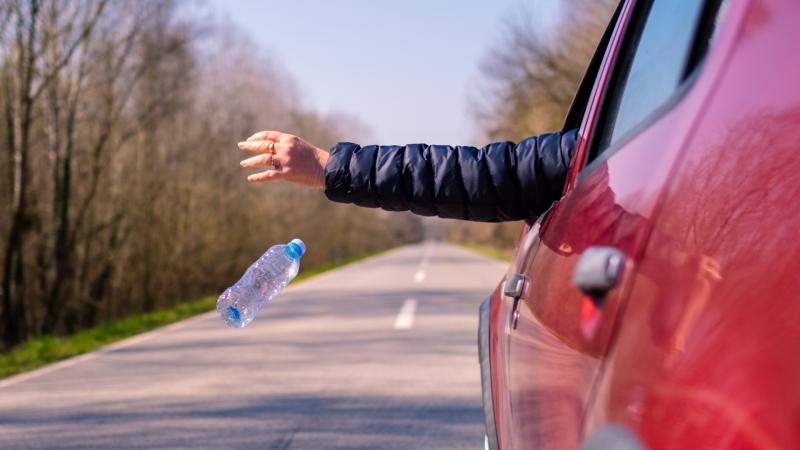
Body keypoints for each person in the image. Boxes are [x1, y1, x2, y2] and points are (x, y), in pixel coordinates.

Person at [237, 128, 578, 222]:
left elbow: (495, 177)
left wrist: (327, 167)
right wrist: (329, 167)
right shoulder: (594, 150)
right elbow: (496, 176)